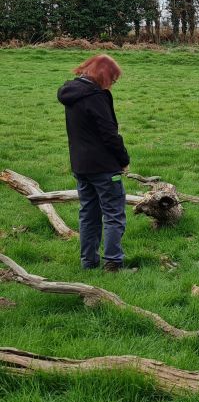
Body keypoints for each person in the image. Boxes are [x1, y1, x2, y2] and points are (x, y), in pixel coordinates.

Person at [57, 54, 130, 272]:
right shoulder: (96, 96)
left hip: (80, 165)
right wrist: (123, 160)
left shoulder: (71, 94)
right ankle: (113, 263)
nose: (113, 84)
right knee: (114, 214)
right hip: (104, 167)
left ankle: (88, 263)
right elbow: (109, 134)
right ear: (105, 75)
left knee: (88, 214)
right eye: (113, 79)